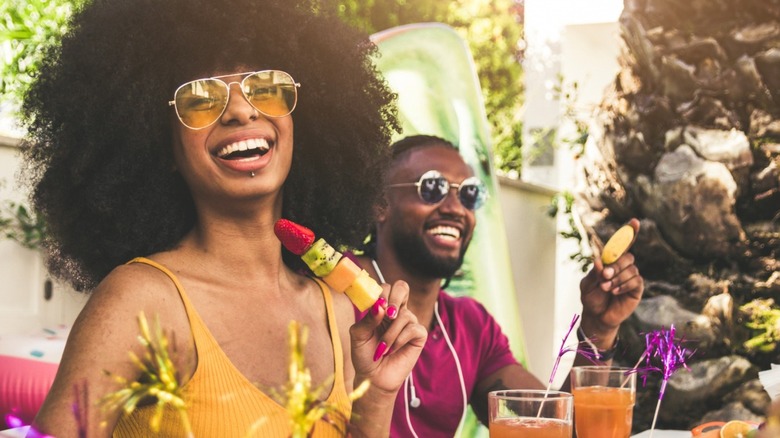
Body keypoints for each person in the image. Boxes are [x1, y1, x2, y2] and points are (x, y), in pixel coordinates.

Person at [20, 0, 427, 436]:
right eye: (201, 98)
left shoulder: (341, 311)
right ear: (161, 142)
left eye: (266, 87)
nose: (241, 110)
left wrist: (377, 394)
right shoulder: (140, 302)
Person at [353, 134, 645, 437]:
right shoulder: (329, 294)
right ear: (379, 203)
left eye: (469, 194)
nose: (456, 208)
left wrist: (599, 327)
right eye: (432, 188)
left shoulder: (469, 325)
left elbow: (558, 426)